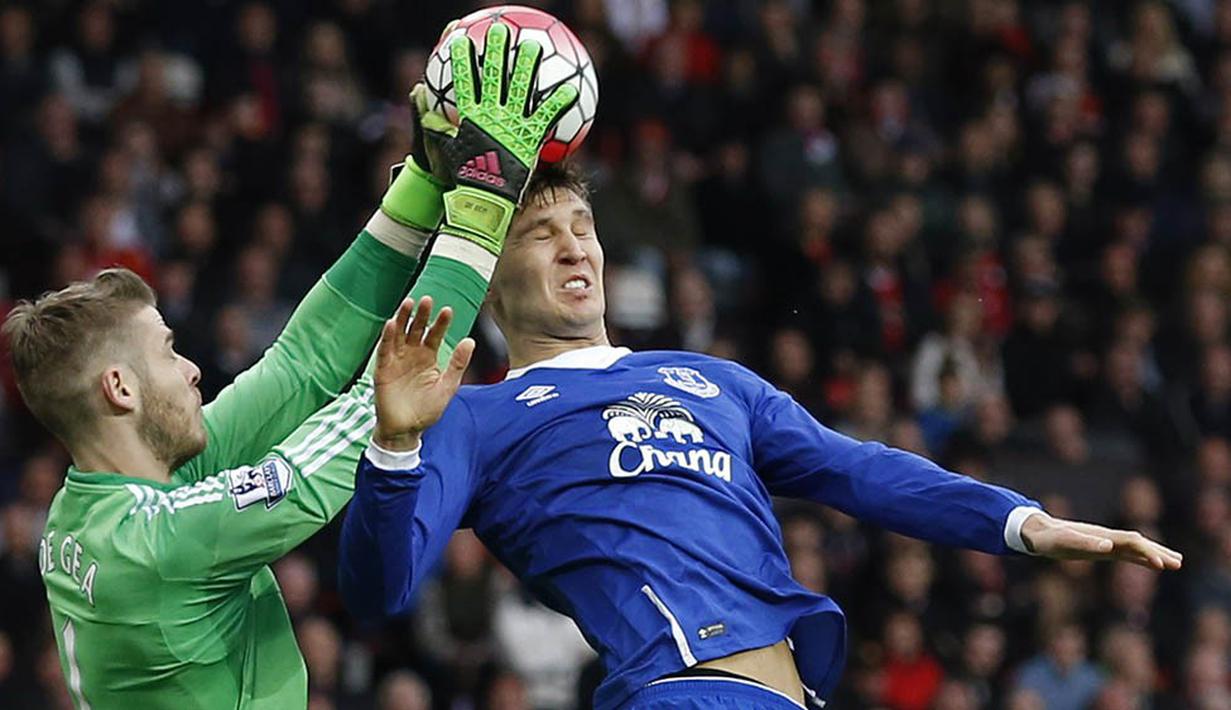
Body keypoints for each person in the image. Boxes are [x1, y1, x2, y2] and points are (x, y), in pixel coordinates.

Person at [338, 158, 1182, 710]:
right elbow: (380, 591)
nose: (573, 249)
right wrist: (394, 446)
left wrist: (1021, 523)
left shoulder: (714, 381)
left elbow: (858, 470)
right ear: (489, 284)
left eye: (582, 228)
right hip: (679, 694)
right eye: (538, 234)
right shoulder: (474, 417)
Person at [1, 22, 576, 709]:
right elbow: (373, 406)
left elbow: (300, 363)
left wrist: (420, 188)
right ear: (119, 388)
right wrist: (482, 205)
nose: (191, 372)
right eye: (168, 353)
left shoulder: (100, 502)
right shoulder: (158, 545)